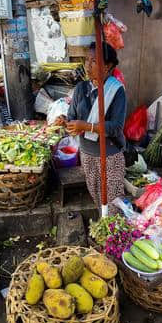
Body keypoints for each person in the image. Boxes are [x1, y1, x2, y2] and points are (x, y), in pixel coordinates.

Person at [54, 42, 126, 211]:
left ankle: (115, 235)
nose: (88, 65)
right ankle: (104, 228)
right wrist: (65, 121)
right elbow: (73, 119)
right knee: (97, 198)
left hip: (110, 157)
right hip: (87, 154)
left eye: (93, 61)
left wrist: (85, 126)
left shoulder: (116, 90)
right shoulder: (81, 88)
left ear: (107, 66)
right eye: (86, 60)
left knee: (113, 202)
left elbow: (116, 127)